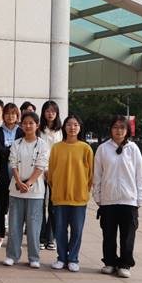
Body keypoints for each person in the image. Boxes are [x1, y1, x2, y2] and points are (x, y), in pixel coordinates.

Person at [93, 116, 142, 278]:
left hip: (129, 199)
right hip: (108, 199)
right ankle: (109, 262)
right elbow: (97, 174)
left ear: (127, 130)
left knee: (127, 235)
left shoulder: (133, 149)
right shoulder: (103, 149)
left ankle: (125, 264)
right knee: (108, 234)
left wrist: (140, 198)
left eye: (122, 127)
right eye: (115, 127)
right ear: (111, 129)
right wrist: (97, 196)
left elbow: (140, 175)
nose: (118, 131)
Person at [3, 111, 49, 269]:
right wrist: (18, 181)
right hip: (16, 190)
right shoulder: (17, 143)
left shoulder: (42, 145)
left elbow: (41, 166)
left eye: (31, 123)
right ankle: (12, 255)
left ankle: (34, 257)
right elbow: (13, 163)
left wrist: (28, 183)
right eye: (25, 123)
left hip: (35, 192)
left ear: (37, 125)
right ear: (21, 125)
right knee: (14, 225)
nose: (28, 126)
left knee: (34, 226)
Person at [48, 115, 94, 272]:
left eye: (75, 125)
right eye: (69, 124)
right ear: (64, 127)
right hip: (60, 196)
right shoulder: (56, 148)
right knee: (60, 230)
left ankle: (73, 258)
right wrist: (56, 188)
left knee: (77, 230)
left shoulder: (86, 148)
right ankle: (61, 258)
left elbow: (91, 174)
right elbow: (51, 173)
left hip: (79, 197)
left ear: (80, 128)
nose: (72, 128)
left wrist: (84, 190)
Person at [0, 103, 23, 249]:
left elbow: (22, 151)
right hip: (2, 175)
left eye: (13, 114)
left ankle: (15, 238)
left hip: (18, 176)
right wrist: (12, 151)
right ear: (3, 115)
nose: (10, 116)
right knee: (0, 207)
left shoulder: (22, 132)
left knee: (17, 209)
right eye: (8, 113)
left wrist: (9, 151)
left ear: (17, 116)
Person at [39, 100, 63, 251]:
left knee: (54, 206)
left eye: (53, 111)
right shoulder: (38, 130)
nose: (50, 114)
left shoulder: (61, 131)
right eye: (47, 111)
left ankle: (51, 237)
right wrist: (45, 169)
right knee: (40, 205)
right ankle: (41, 237)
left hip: (57, 172)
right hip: (40, 171)